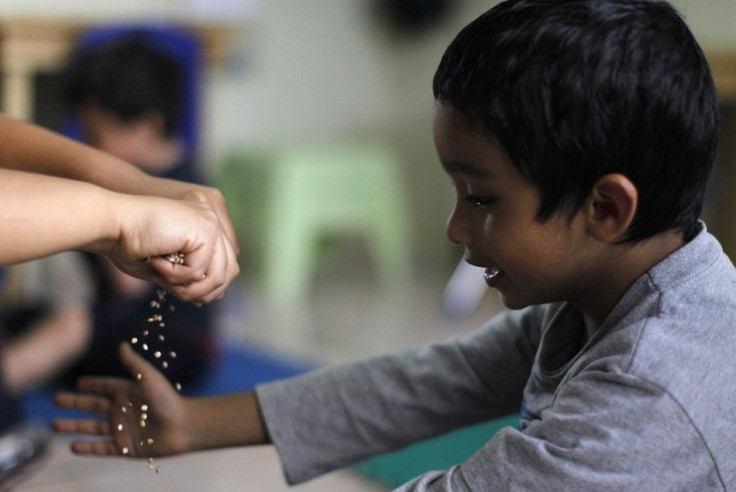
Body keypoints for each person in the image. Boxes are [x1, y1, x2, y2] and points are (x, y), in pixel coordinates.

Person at [53, 0, 736, 489]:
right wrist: (197, 424)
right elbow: (433, 381)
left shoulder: (655, 394)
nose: (455, 228)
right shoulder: (600, 297)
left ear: (606, 208)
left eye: (483, 198)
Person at [2, 36, 217, 393]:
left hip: (167, 344)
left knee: (69, 326)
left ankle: (7, 382)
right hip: (109, 321)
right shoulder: (127, 174)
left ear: (146, 126)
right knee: (22, 315)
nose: (87, 145)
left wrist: (96, 211)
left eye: (95, 133)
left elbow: (129, 284)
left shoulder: (186, 187)